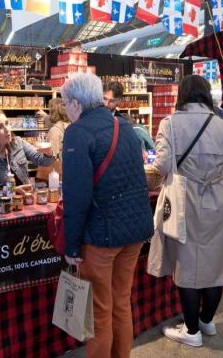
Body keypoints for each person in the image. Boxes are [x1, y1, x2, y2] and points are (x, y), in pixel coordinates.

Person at [148, 75, 223, 348]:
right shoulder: (221, 125)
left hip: (185, 199)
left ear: (182, 94)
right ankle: (206, 320)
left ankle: (192, 331)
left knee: (188, 264)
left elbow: (163, 164)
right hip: (216, 197)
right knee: (216, 262)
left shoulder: (170, 123)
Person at [60, 73, 154, 358]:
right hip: (134, 230)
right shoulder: (124, 126)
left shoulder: (77, 133)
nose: (65, 108)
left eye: (65, 103)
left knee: (100, 312)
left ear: (76, 103)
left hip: (102, 236)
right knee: (121, 303)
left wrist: (72, 245)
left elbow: (77, 196)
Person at [0, 109, 55, 197]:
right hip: (0, 206)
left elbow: (44, 161)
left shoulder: (18, 143)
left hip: (25, 201)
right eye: (0, 126)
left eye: (7, 123)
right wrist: (11, 190)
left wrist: (48, 153)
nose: (7, 129)